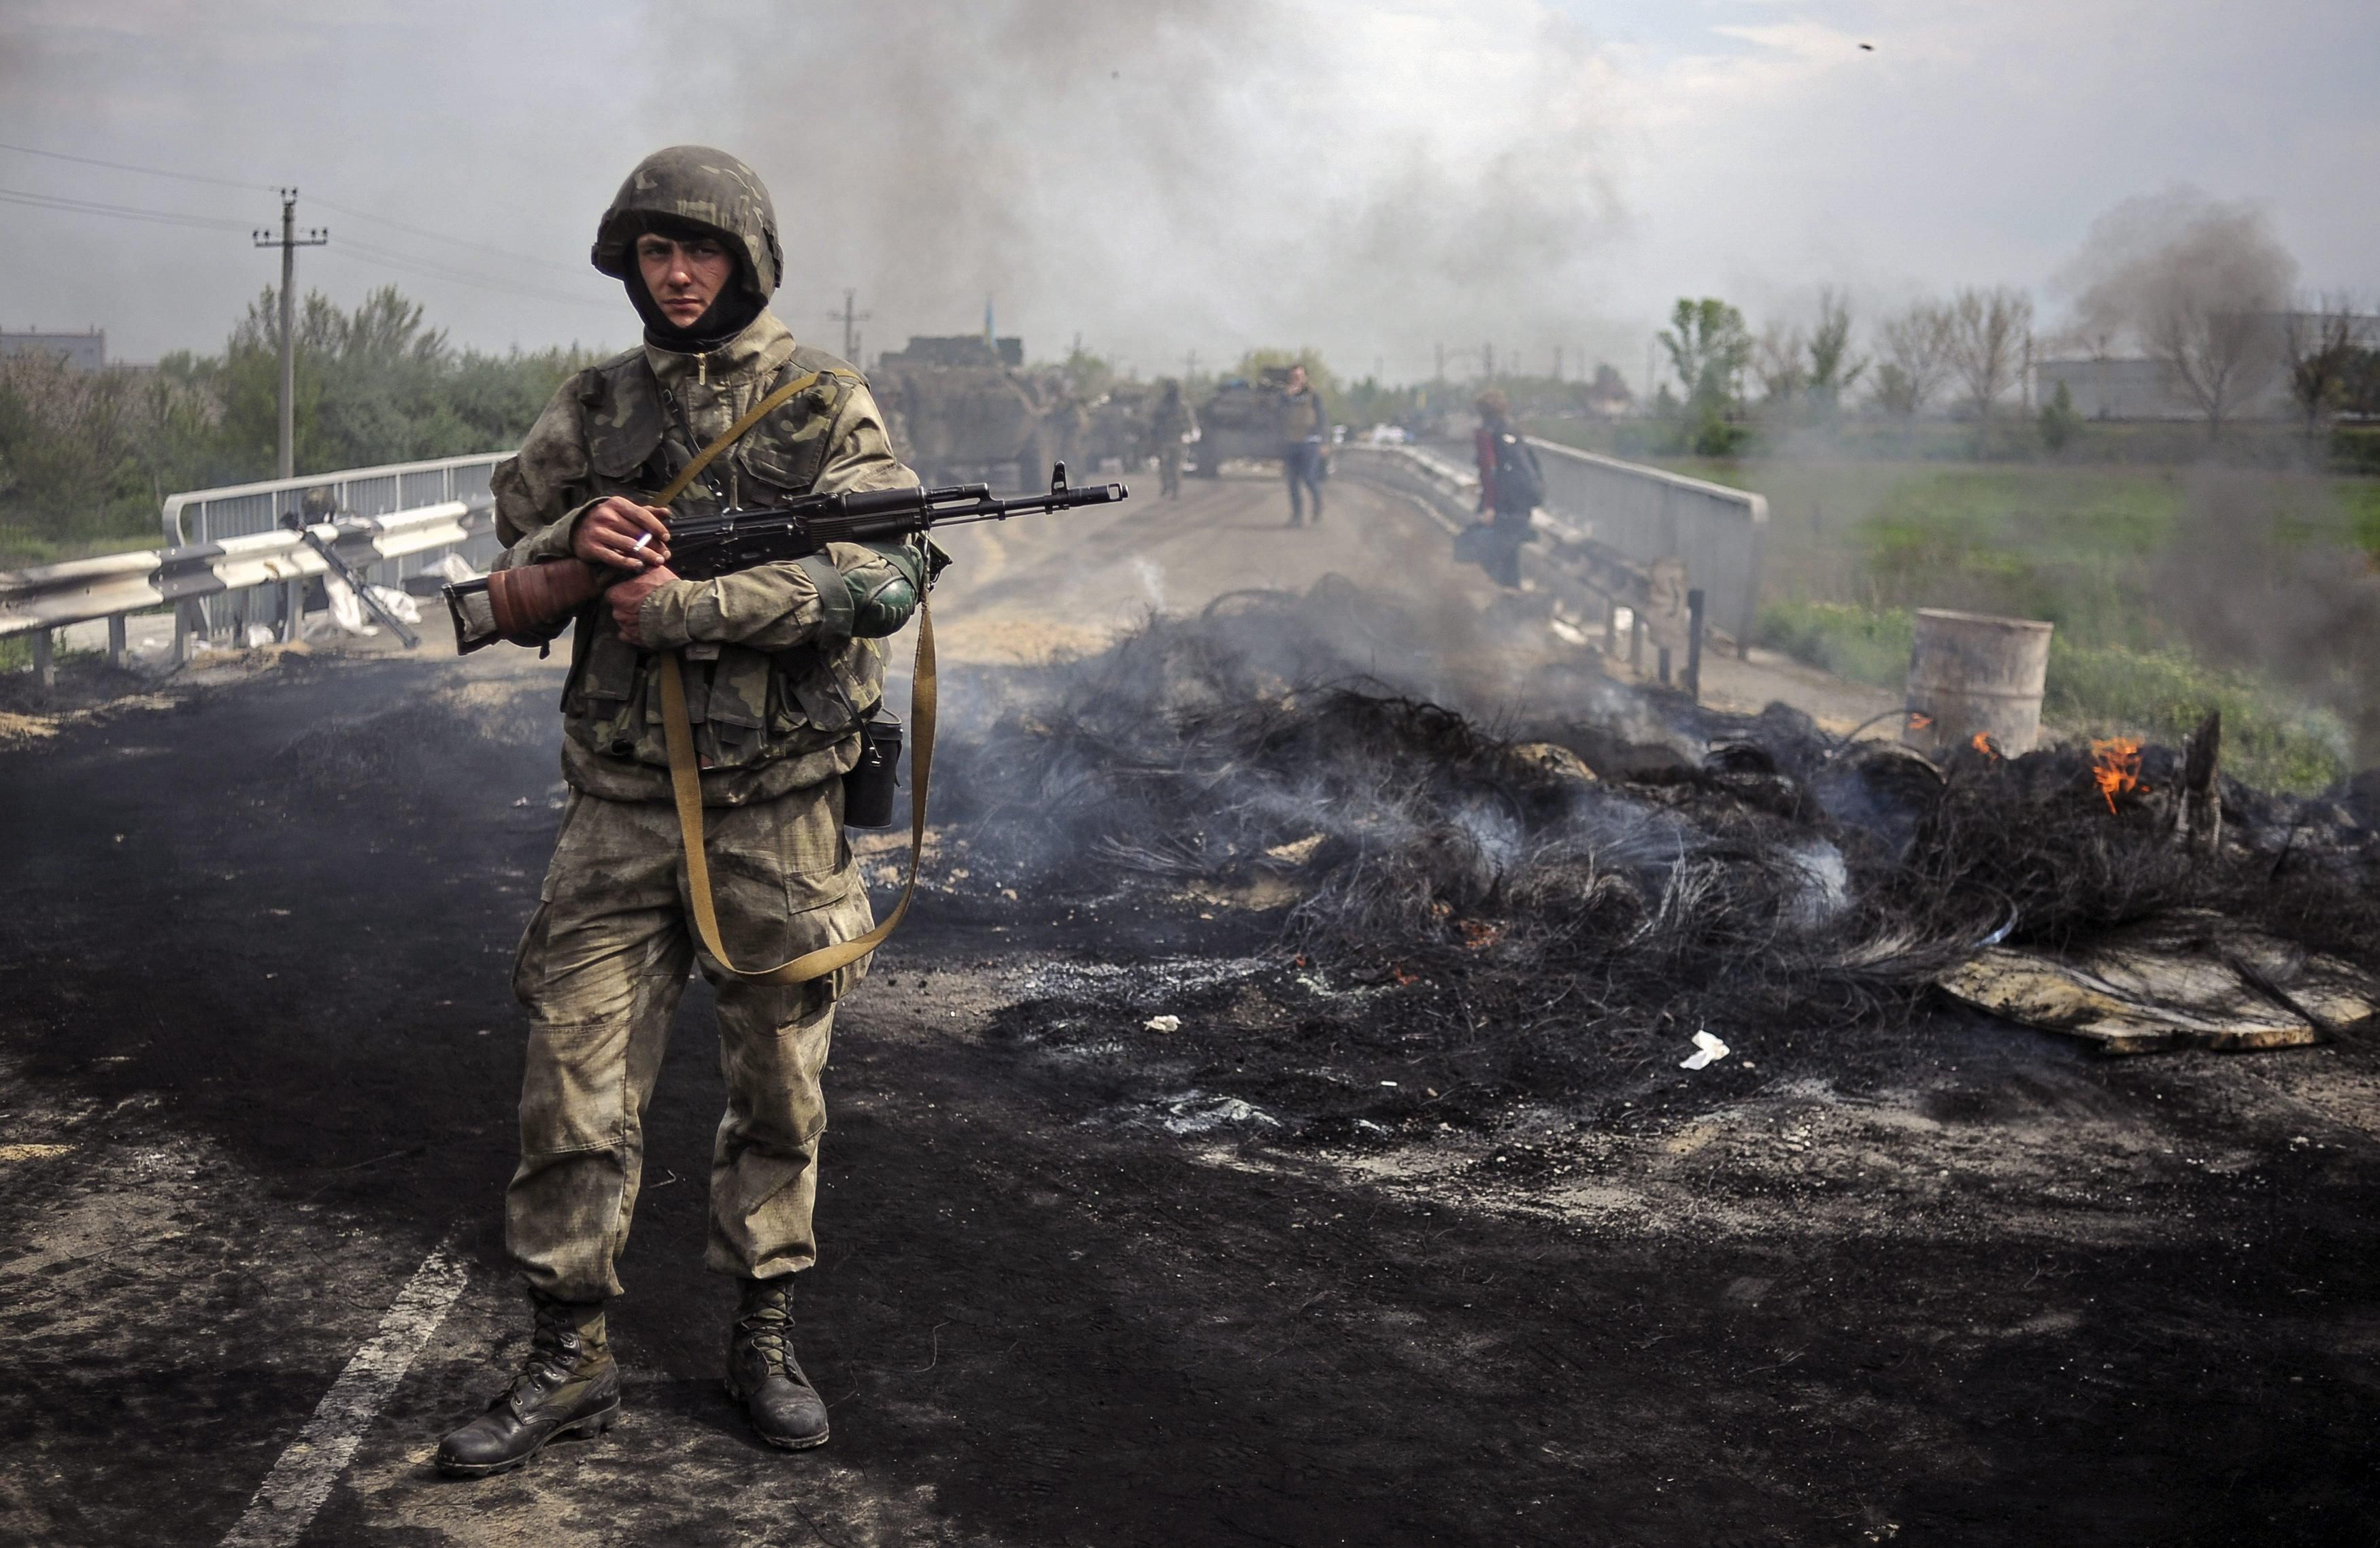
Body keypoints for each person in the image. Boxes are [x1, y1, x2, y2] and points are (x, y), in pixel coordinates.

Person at [434, 146, 931, 1477]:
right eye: (655, 251)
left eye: (701, 249)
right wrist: (577, 545)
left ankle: (762, 1336)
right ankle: (568, 1357)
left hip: (779, 810)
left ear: (747, 260)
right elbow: (510, 563)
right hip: (618, 809)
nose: (677, 273)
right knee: (570, 1091)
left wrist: (701, 605)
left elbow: (888, 577)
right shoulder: (594, 404)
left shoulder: (822, 402)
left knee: (779, 1092)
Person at [1466, 388, 1541, 588]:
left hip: (1503, 503)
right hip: (1523, 500)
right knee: (1509, 549)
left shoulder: (1487, 434)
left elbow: (1490, 471)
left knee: (1482, 546)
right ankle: (1512, 590)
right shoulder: (1513, 432)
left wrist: (1489, 506)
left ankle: (1508, 590)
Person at [1279, 363, 1329, 526]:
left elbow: (1322, 419)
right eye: (1293, 377)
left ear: (1305, 378)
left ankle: (1318, 505)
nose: (1296, 380)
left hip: (1310, 442)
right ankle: (1297, 517)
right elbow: (1278, 416)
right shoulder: (1284, 397)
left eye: (1299, 377)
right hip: (1291, 442)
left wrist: (1325, 442)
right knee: (1292, 482)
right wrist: (1287, 397)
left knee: (1309, 478)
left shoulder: (1313, 395)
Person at [1147, 377, 1195, 499]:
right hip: (1166, 439)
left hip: (1174, 439)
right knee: (1168, 467)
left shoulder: (1180, 405)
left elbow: (1189, 423)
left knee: (1172, 467)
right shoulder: (1170, 405)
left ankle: (1173, 490)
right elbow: (1154, 422)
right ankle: (1169, 487)